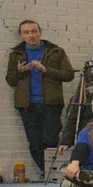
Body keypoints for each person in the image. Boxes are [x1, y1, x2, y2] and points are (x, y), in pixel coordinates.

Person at [7, 20, 76, 178]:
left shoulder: (56, 51)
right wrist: (19, 71)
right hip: (26, 104)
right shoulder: (15, 55)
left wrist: (47, 70)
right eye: (26, 32)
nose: (31, 35)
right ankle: (47, 173)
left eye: (34, 31)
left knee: (51, 140)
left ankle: (57, 173)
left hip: (51, 103)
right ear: (21, 36)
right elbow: (10, 80)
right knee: (35, 143)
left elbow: (69, 75)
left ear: (40, 33)